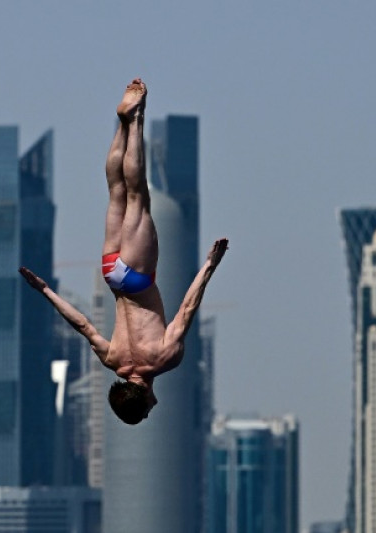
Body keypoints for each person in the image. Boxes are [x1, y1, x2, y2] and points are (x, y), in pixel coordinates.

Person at [19, 78, 228, 425]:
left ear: (143, 397)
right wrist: (44, 290)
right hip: (113, 275)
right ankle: (122, 122)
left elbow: (188, 308)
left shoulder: (164, 358)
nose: (153, 407)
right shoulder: (111, 360)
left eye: (146, 410)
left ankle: (137, 117)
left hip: (138, 276)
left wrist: (209, 265)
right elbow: (82, 323)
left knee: (137, 194)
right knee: (116, 190)